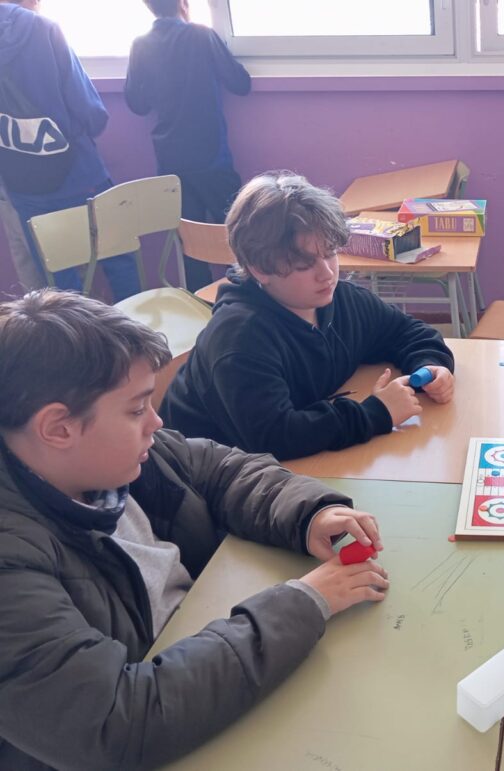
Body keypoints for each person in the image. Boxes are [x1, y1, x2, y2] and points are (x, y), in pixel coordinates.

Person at [0, 290, 390, 770]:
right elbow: (118, 723)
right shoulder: (11, 563)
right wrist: (304, 602)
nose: (156, 421)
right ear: (58, 428)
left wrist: (308, 513)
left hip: (206, 661)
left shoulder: (113, 456)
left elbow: (220, 469)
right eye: (136, 409)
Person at [161, 171, 456, 460]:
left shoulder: (339, 298)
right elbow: (276, 436)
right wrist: (376, 413)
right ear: (259, 269)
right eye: (304, 264)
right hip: (202, 473)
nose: (326, 273)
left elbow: (406, 332)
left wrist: (429, 366)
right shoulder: (239, 338)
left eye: (330, 253)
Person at [0, 0, 141, 300]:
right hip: (79, 173)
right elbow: (92, 113)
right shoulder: (44, 29)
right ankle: (131, 325)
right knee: (117, 256)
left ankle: (78, 332)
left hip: (22, 183)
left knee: (58, 278)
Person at [125, 0, 251, 291]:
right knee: (238, 233)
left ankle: (198, 302)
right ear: (184, 4)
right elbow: (240, 83)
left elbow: (137, 103)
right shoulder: (202, 36)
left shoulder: (140, 44)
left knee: (190, 243)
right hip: (211, 156)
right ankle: (245, 296)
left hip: (170, 159)